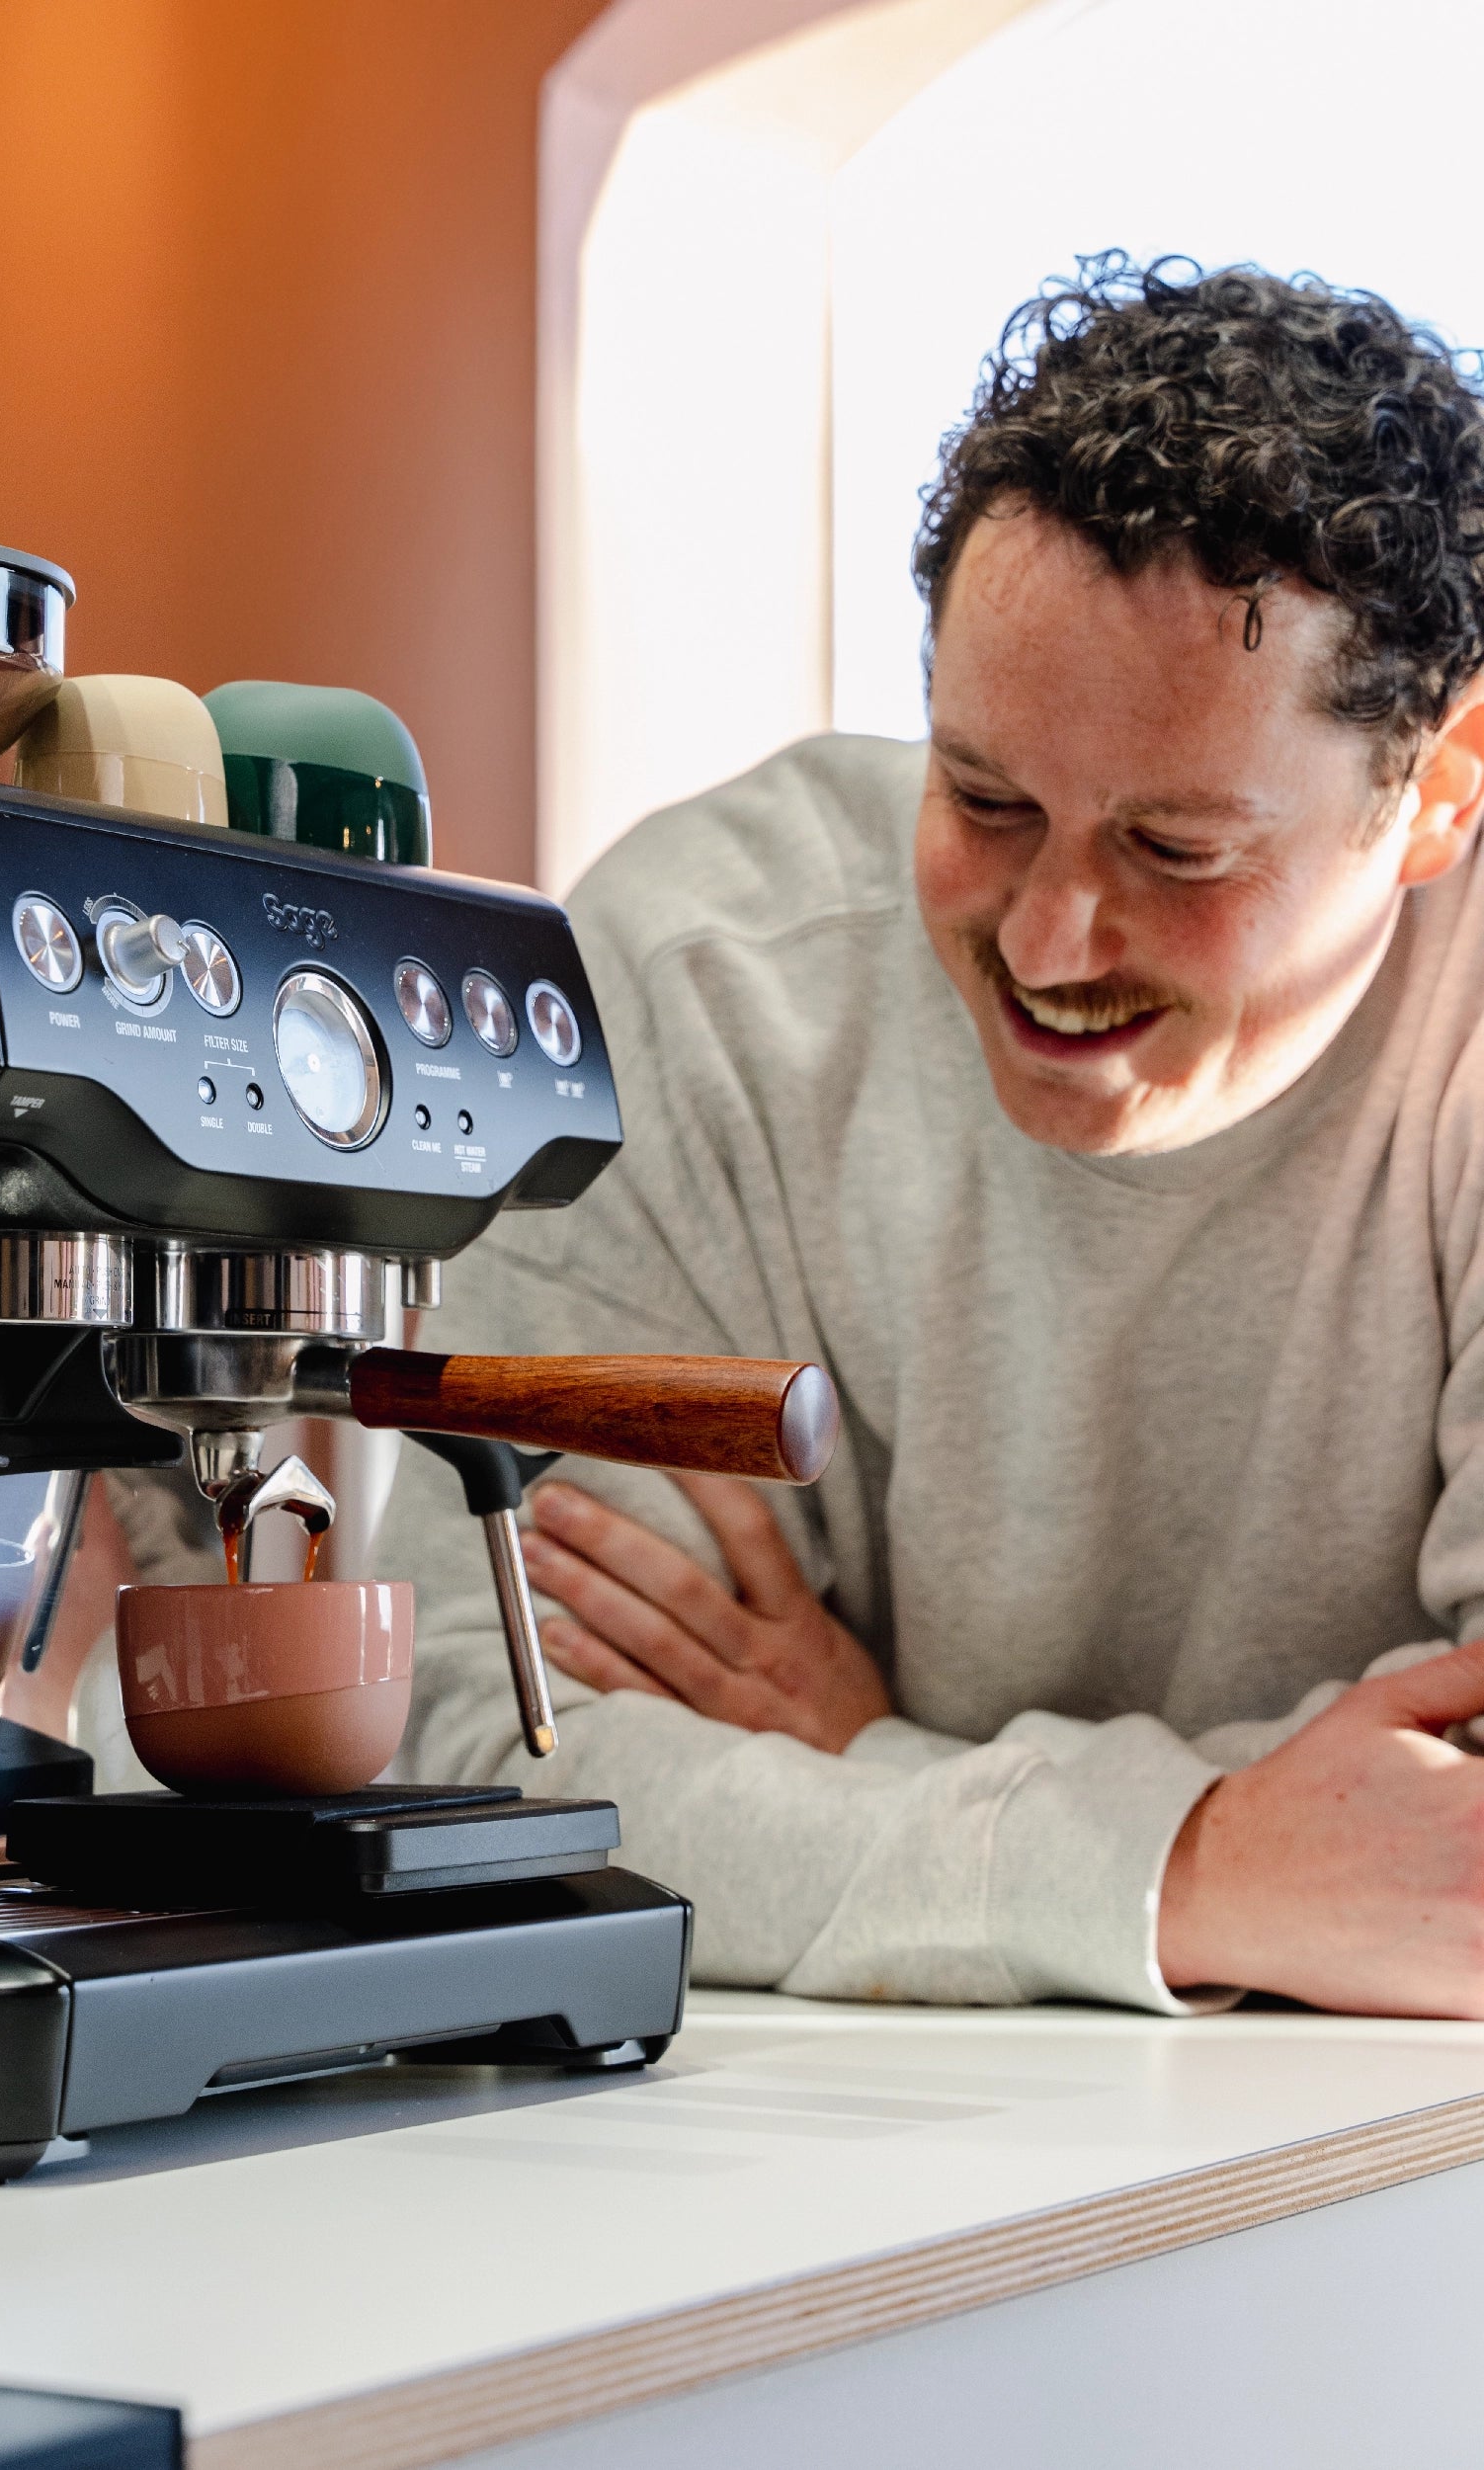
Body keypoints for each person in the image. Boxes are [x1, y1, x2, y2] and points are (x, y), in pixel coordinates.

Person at [368, 254, 1484, 2020]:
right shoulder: (700, 985)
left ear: (1439, 793)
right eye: (985, 799)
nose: (1046, 941)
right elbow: (481, 1747)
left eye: (1177, 851)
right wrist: (1198, 1869)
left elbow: (1457, 1852)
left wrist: (868, 1765)